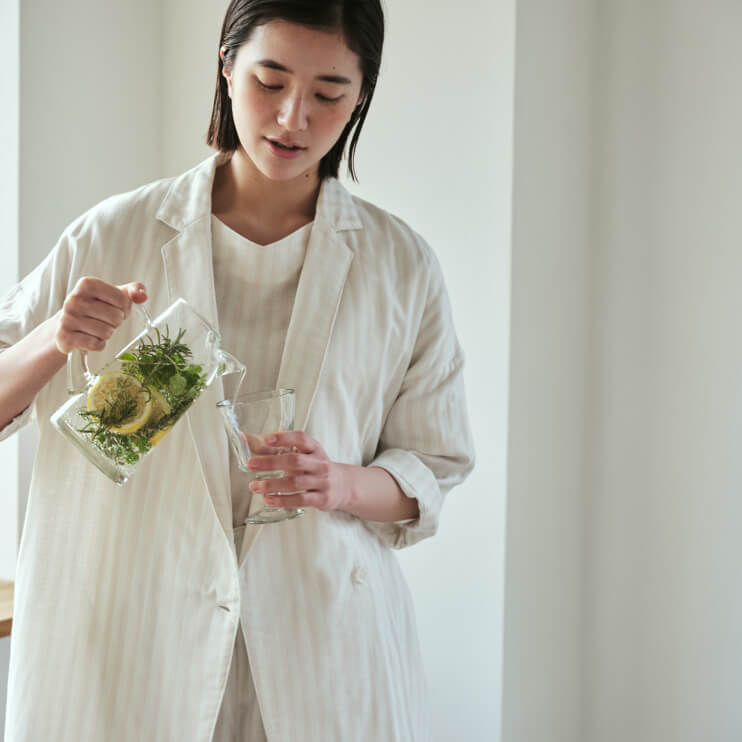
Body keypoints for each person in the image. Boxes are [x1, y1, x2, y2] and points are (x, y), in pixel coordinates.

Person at [0, 0, 475, 740]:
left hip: (323, 642)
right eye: (270, 81)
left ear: (361, 96)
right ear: (226, 65)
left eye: (328, 94)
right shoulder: (114, 232)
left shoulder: (400, 265)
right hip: (133, 643)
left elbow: (434, 466)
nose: (292, 119)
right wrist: (51, 341)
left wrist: (340, 483)